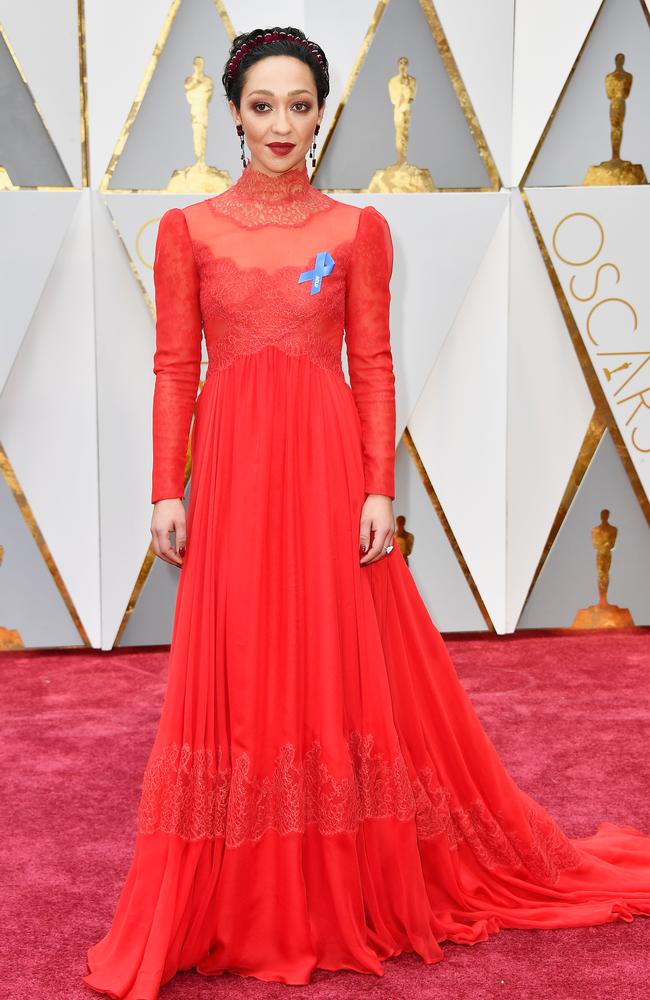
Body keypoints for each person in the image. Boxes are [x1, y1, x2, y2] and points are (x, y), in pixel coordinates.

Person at [84, 26, 650, 999]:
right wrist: (163, 487)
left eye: (299, 105)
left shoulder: (355, 231)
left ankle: (324, 884)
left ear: (322, 116)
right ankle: (234, 894)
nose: (279, 123)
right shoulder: (189, 232)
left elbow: (373, 363)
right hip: (228, 474)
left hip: (320, 473)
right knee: (241, 667)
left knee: (326, 667)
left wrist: (375, 485)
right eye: (261, 105)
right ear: (232, 114)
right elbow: (175, 366)